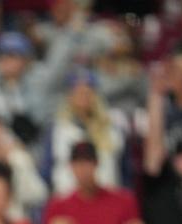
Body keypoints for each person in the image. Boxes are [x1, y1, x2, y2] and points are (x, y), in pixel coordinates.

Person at [0, 0, 84, 144]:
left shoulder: (40, 81)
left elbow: (63, 52)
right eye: (2, 56)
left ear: (26, 61)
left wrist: (78, 14)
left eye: (13, 56)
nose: (6, 61)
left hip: (31, 152)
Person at [40, 69, 126, 197]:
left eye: (87, 91)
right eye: (78, 91)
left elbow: (124, 170)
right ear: (70, 95)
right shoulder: (58, 129)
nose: (83, 96)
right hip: (68, 200)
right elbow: (46, 170)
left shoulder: (112, 127)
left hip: (106, 201)